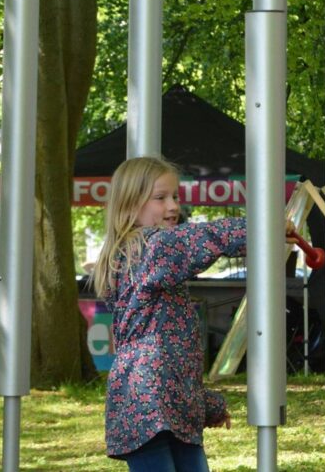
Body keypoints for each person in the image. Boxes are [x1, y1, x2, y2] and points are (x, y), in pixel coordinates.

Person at [93, 156, 293, 472]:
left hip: (167, 407)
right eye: (160, 198)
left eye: (175, 196)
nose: (173, 206)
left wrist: (208, 406)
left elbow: (177, 356)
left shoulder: (158, 266)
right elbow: (197, 240)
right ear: (129, 205)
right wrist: (264, 226)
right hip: (145, 404)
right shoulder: (146, 249)